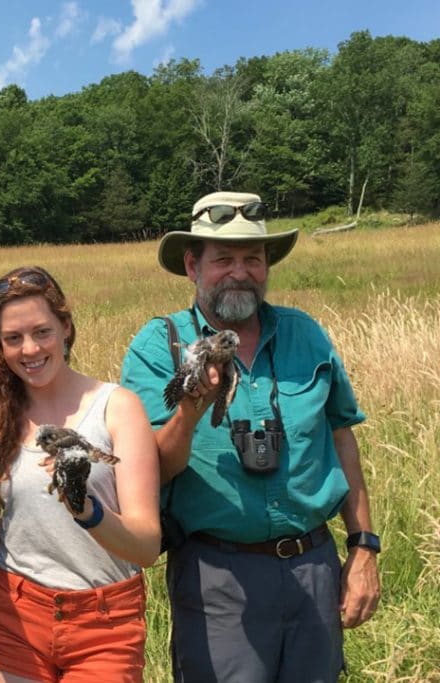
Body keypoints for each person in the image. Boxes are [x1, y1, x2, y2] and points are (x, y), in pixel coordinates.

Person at [120, 191, 382, 682]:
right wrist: (193, 408)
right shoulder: (161, 346)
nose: (240, 271)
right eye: (224, 259)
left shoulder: (307, 335)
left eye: (253, 258)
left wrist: (363, 546)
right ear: (192, 265)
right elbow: (154, 466)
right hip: (217, 577)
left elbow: (341, 436)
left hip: (314, 568)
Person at [0, 266, 160, 683]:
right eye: (13, 338)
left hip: (106, 622)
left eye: (42, 332)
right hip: (16, 615)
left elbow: (146, 546)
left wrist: (88, 511)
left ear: (65, 327)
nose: (30, 349)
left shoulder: (116, 407)